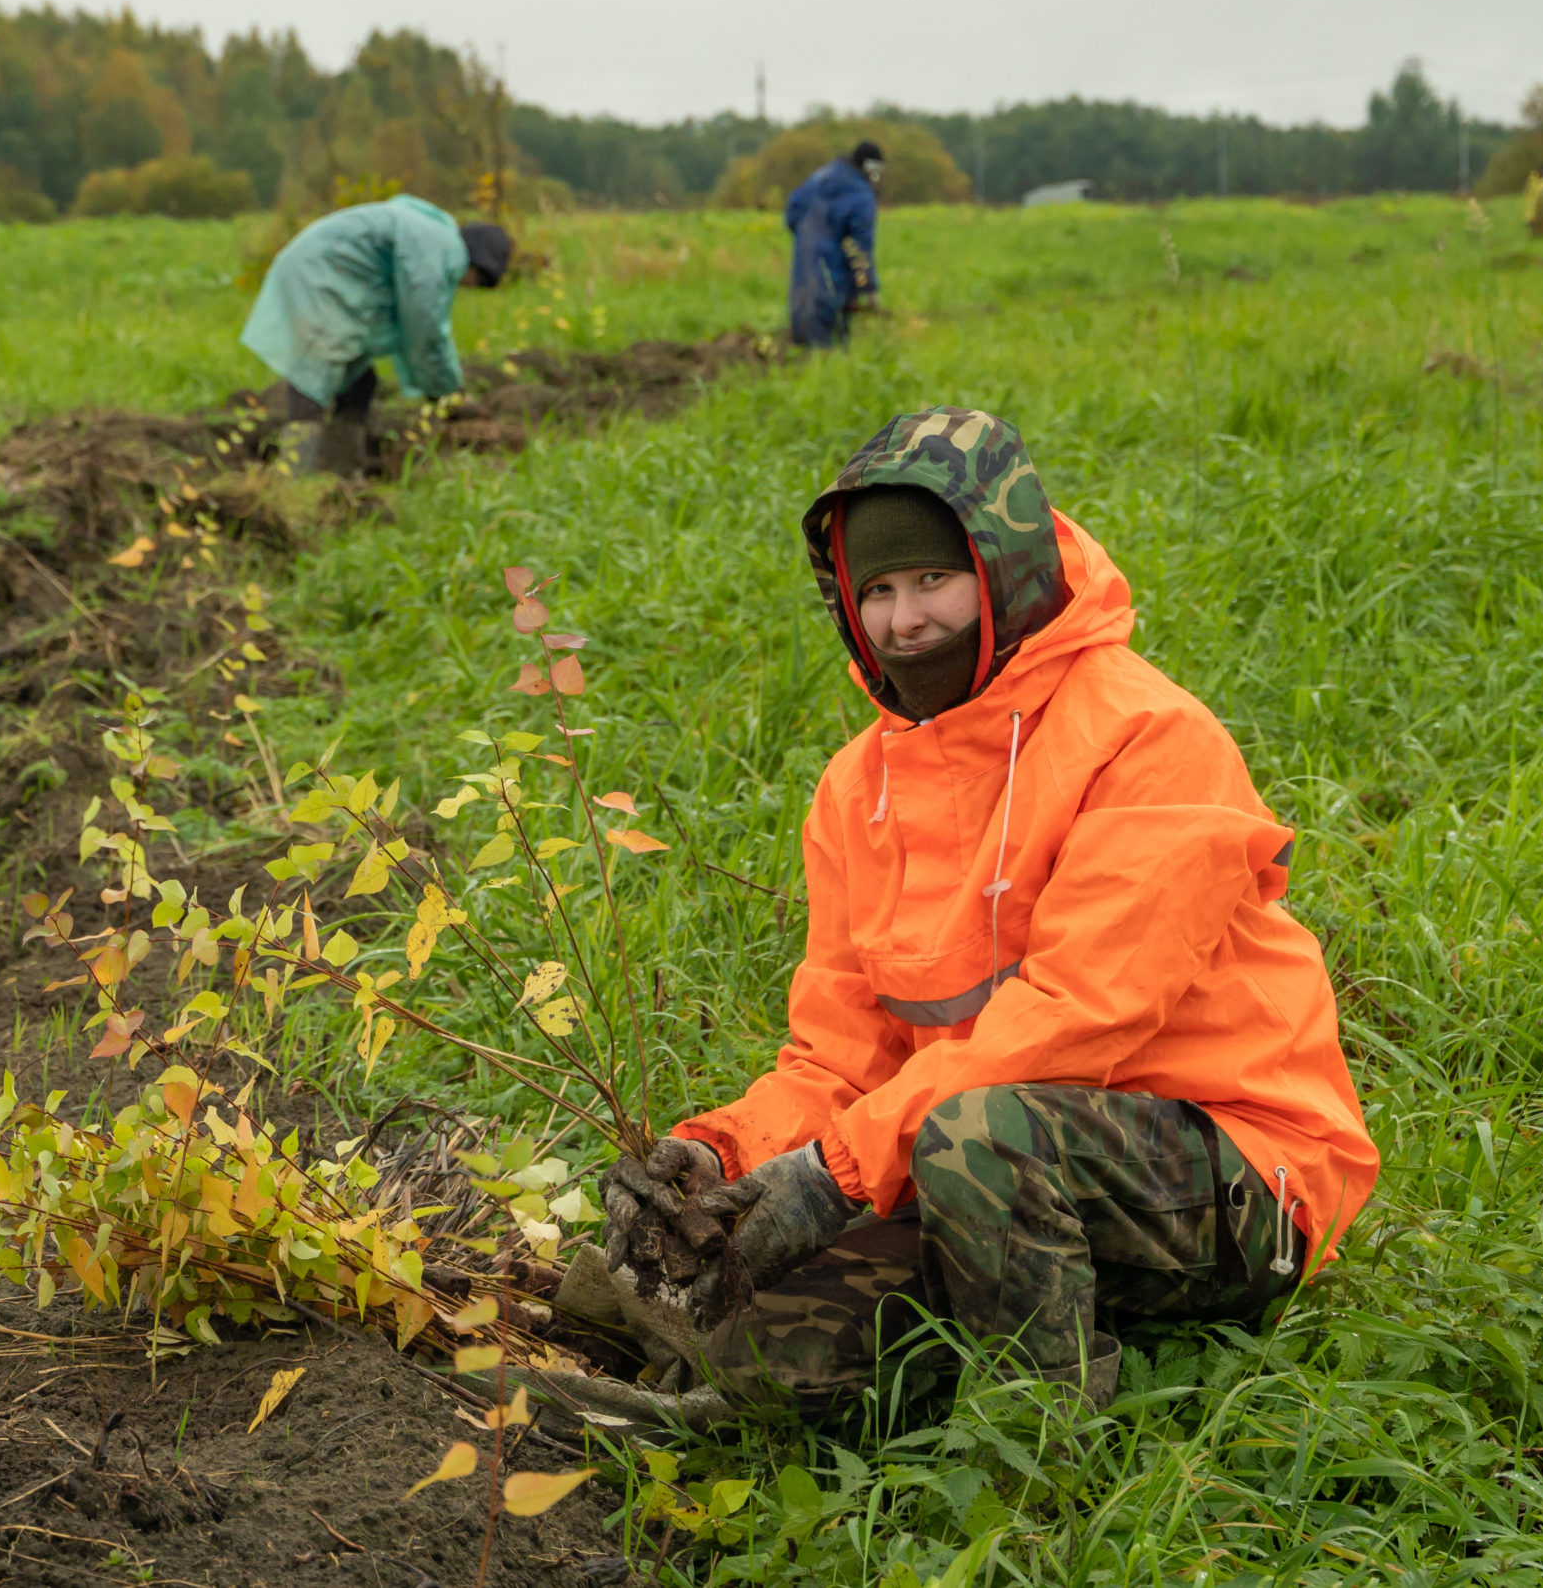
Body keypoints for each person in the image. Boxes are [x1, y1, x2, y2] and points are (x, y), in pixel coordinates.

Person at [597, 407, 1381, 1416]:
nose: (905, 620)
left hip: (1239, 1179)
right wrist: (719, 1157)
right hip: (988, 1165)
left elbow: (1080, 1015)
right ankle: (842, 1365)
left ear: (1002, 571)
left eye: (932, 579)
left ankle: (1036, 1450)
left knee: (978, 1135)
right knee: (752, 1329)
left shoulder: (1146, 737)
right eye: (875, 591)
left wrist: (837, 1175)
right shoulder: (856, 788)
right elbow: (840, 1060)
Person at [239, 195, 511, 476]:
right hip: (322, 278)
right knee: (313, 378)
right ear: (476, 263)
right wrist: (449, 395)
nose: (467, 287)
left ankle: (342, 470)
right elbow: (423, 325)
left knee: (359, 383)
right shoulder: (439, 248)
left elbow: (407, 320)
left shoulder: (432, 236)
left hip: (324, 272)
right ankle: (294, 476)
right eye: (476, 281)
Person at [785, 141, 883, 348]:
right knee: (833, 345)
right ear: (871, 169)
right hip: (834, 277)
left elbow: (792, 215)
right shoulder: (861, 194)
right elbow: (859, 248)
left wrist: (810, 241)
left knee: (804, 342)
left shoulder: (819, 177)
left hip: (803, 271)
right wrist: (868, 287)